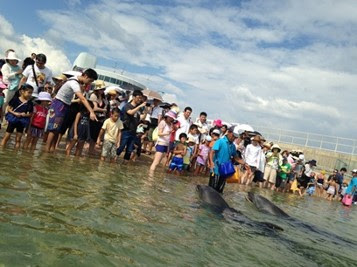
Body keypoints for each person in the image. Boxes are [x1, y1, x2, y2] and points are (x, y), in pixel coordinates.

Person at [45, 69, 98, 153]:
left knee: (57, 129)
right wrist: (91, 111)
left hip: (64, 105)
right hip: (59, 104)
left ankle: (52, 150)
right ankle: (46, 150)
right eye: (90, 80)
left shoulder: (76, 80)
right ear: (86, 76)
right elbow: (83, 99)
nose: (89, 83)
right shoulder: (74, 83)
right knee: (53, 129)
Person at [208, 126, 244, 193]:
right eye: (233, 136)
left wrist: (245, 164)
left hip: (225, 171)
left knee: (220, 190)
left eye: (235, 137)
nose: (234, 138)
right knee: (212, 190)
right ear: (228, 132)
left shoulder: (232, 146)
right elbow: (212, 152)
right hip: (216, 169)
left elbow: (236, 157)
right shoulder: (220, 141)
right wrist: (211, 163)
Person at [117, 90, 147, 163]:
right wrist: (140, 106)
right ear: (133, 97)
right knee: (121, 147)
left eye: (141, 98)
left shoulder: (138, 108)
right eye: (138, 98)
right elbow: (130, 112)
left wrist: (146, 111)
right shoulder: (127, 105)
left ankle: (125, 164)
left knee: (130, 149)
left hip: (133, 131)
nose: (140, 99)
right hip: (126, 129)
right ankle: (113, 159)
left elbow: (141, 117)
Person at [1, 84, 34, 148]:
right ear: (22, 91)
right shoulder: (15, 99)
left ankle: (16, 153)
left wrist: (25, 115)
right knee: (6, 137)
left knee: (18, 140)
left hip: (22, 121)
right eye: (29, 92)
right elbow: (9, 109)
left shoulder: (30, 103)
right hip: (13, 119)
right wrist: (15, 113)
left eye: (31, 93)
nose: (30, 94)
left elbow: (31, 113)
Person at [89, 80, 108, 155]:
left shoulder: (104, 98)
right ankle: (90, 149)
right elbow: (95, 108)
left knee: (96, 135)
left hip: (101, 119)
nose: (102, 90)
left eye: (103, 89)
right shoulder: (93, 95)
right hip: (94, 117)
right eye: (101, 89)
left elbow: (105, 106)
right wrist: (103, 110)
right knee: (91, 134)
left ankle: (91, 149)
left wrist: (104, 110)